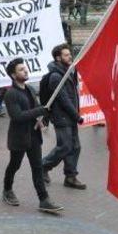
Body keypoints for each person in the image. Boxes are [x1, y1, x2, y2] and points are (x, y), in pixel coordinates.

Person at [2, 58, 62, 213]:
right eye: (21, 70)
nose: (25, 71)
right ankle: (7, 189)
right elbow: (17, 116)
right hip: (19, 138)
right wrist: (39, 111)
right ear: (14, 75)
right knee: (15, 165)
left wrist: (41, 120)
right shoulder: (11, 94)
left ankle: (44, 199)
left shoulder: (28, 89)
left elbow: (35, 108)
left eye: (25, 68)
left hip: (33, 136)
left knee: (37, 167)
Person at [42, 44, 86, 190]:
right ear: (58, 58)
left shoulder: (68, 71)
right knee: (65, 146)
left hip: (70, 116)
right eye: (66, 55)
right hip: (62, 117)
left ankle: (70, 177)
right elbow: (64, 100)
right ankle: (43, 166)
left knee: (75, 146)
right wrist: (77, 116)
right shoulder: (56, 76)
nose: (70, 57)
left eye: (69, 54)